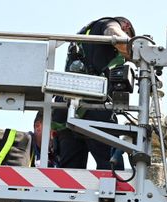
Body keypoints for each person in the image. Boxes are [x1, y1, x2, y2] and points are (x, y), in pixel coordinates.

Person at [55, 17, 136, 170]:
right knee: (113, 172)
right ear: (126, 27)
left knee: (69, 177)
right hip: (95, 108)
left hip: (66, 110)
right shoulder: (109, 24)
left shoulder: (84, 36)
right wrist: (138, 49)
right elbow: (114, 33)